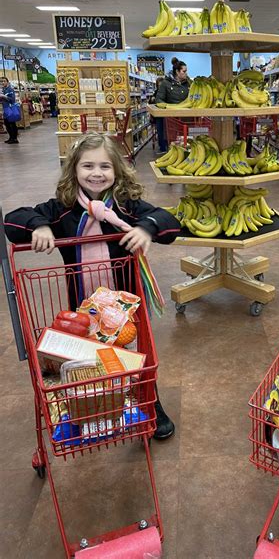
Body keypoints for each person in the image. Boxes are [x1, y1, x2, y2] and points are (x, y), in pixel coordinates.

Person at [5, 132, 182, 440]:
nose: (97, 173)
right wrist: (41, 225)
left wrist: (146, 228)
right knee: (90, 359)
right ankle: (94, 405)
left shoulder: (127, 208)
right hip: (83, 308)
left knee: (139, 356)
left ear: (117, 171)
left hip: (128, 305)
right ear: (74, 170)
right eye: (88, 166)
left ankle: (149, 400)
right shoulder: (62, 210)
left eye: (105, 166)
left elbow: (170, 223)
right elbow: (13, 221)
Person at [154, 58, 190, 153]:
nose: (186, 73)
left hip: (185, 117)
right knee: (173, 141)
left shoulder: (189, 83)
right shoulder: (166, 83)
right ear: (177, 72)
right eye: (184, 71)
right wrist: (168, 107)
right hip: (170, 119)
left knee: (184, 140)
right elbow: (159, 100)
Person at [0, 76, 19, 144]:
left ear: (7, 82)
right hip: (5, 109)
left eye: (4, 81)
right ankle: (11, 137)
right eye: (1, 81)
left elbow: (12, 100)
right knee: (7, 124)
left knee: (12, 123)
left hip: (10, 108)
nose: (2, 82)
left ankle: (15, 139)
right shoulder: (3, 90)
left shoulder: (10, 89)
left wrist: (4, 96)